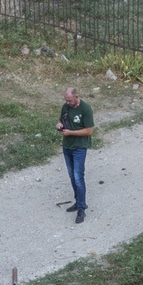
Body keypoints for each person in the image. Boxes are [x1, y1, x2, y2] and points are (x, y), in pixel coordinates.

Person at [56, 86, 94, 222]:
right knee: (72, 176)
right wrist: (59, 125)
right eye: (66, 100)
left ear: (76, 97)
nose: (68, 103)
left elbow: (89, 130)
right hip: (67, 146)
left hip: (79, 147)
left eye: (70, 100)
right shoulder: (65, 107)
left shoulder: (85, 109)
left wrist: (70, 133)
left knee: (78, 177)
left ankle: (82, 209)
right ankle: (78, 202)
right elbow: (61, 120)